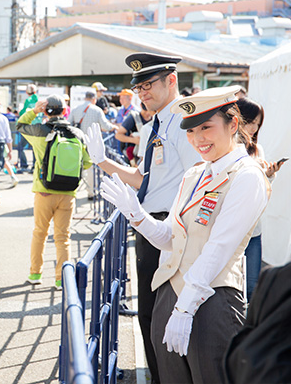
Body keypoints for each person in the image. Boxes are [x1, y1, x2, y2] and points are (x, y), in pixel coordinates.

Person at [99, 86, 270, 384]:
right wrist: (137, 215)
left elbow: (219, 248)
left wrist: (184, 309)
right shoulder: (195, 174)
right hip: (170, 295)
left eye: (206, 127)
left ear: (233, 124)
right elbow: (170, 238)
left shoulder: (247, 176)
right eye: (191, 131)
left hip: (210, 299)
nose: (197, 139)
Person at [86, 52, 201, 384]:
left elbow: (199, 180)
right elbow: (143, 178)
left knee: (164, 313)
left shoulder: (184, 121)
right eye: (139, 87)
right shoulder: (157, 123)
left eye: (148, 84)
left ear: (171, 80)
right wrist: (103, 161)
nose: (143, 93)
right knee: (152, 313)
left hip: (172, 227)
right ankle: (161, 376)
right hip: (151, 223)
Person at [16, 95, 93, 290]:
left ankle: (35, 273)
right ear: (65, 111)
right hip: (68, 193)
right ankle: (60, 279)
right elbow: (87, 162)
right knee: (63, 237)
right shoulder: (77, 133)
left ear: (46, 111)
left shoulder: (40, 131)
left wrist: (34, 111)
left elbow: (19, 125)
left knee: (40, 233)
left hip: (44, 192)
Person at [236, 97, 283, 301]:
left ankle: (249, 332)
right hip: (232, 227)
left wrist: (269, 175)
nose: (254, 128)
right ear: (237, 119)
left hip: (253, 228)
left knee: (252, 287)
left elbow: (261, 191)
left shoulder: (257, 149)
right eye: (251, 122)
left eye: (258, 123)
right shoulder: (224, 147)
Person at [70, 91, 115, 200]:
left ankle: (72, 190)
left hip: (77, 142)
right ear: (94, 99)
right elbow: (106, 126)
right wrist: (115, 127)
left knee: (76, 167)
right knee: (90, 169)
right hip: (91, 143)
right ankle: (91, 192)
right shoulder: (97, 110)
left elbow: (69, 124)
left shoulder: (75, 109)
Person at [116, 101, 154, 166]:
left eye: (149, 111)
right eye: (145, 110)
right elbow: (118, 135)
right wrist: (133, 140)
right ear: (141, 106)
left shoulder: (154, 119)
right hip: (133, 153)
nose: (147, 113)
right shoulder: (133, 118)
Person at [17, 84, 39, 172]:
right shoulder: (39, 100)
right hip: (37, 126)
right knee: (35, 147)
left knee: (20, 146)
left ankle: (24, 164)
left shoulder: (28, 100)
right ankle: (34, 165)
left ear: (26, 92)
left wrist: (19, 112)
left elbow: (23, 112)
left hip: (28, 127)